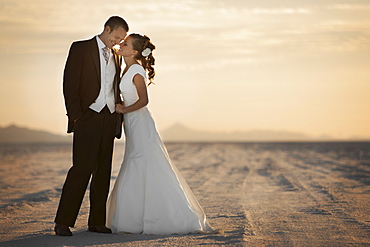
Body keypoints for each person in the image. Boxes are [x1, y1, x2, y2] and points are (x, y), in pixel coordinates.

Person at [106, 33, 215, 235]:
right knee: (136, 161)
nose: (121, 45)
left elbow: (143, 100)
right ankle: (133, 218)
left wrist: (123, 110)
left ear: (135, 51)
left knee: (144, 162)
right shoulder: (126, 67)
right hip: (133, 122)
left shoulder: (137, 70)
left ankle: (164, 218)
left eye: (126, 43)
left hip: (140, 122)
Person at [54, 16, 128, 236]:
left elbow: (113, 87)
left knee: (103, 172)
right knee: (81, 170)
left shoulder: (116, 56)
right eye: (116, 36)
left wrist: (118, 114)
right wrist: (77, 117)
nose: (117, 42)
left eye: (121, 39)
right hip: (87, 118)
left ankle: (96, 222)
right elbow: (69, 83)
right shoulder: (81, 48)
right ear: (106, 29)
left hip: (109, 118)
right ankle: (63, 222)